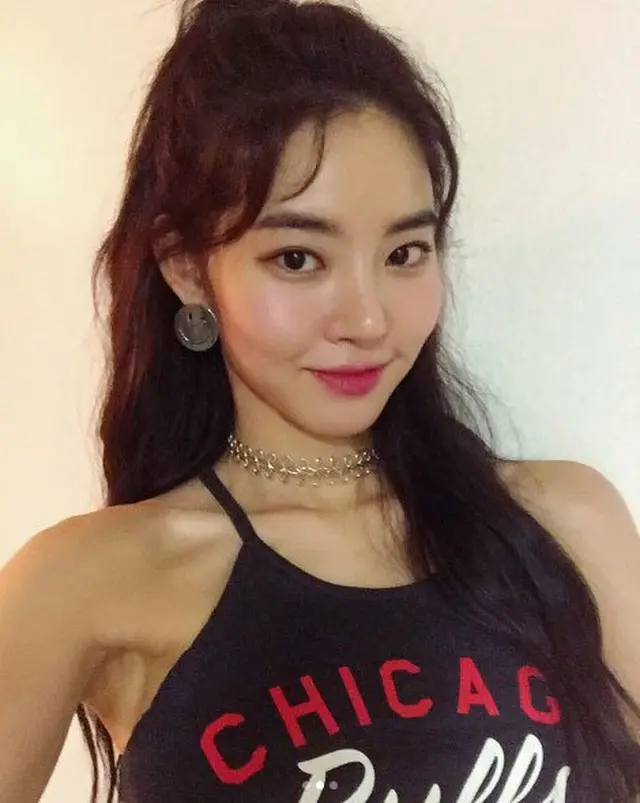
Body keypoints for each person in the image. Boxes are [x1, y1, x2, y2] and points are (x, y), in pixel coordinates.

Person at [1, 0, 639, 801]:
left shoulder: (565, 521)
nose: (368, 320)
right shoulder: (84, 582)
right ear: (188, 269)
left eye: (404, 253)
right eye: (299, 258)